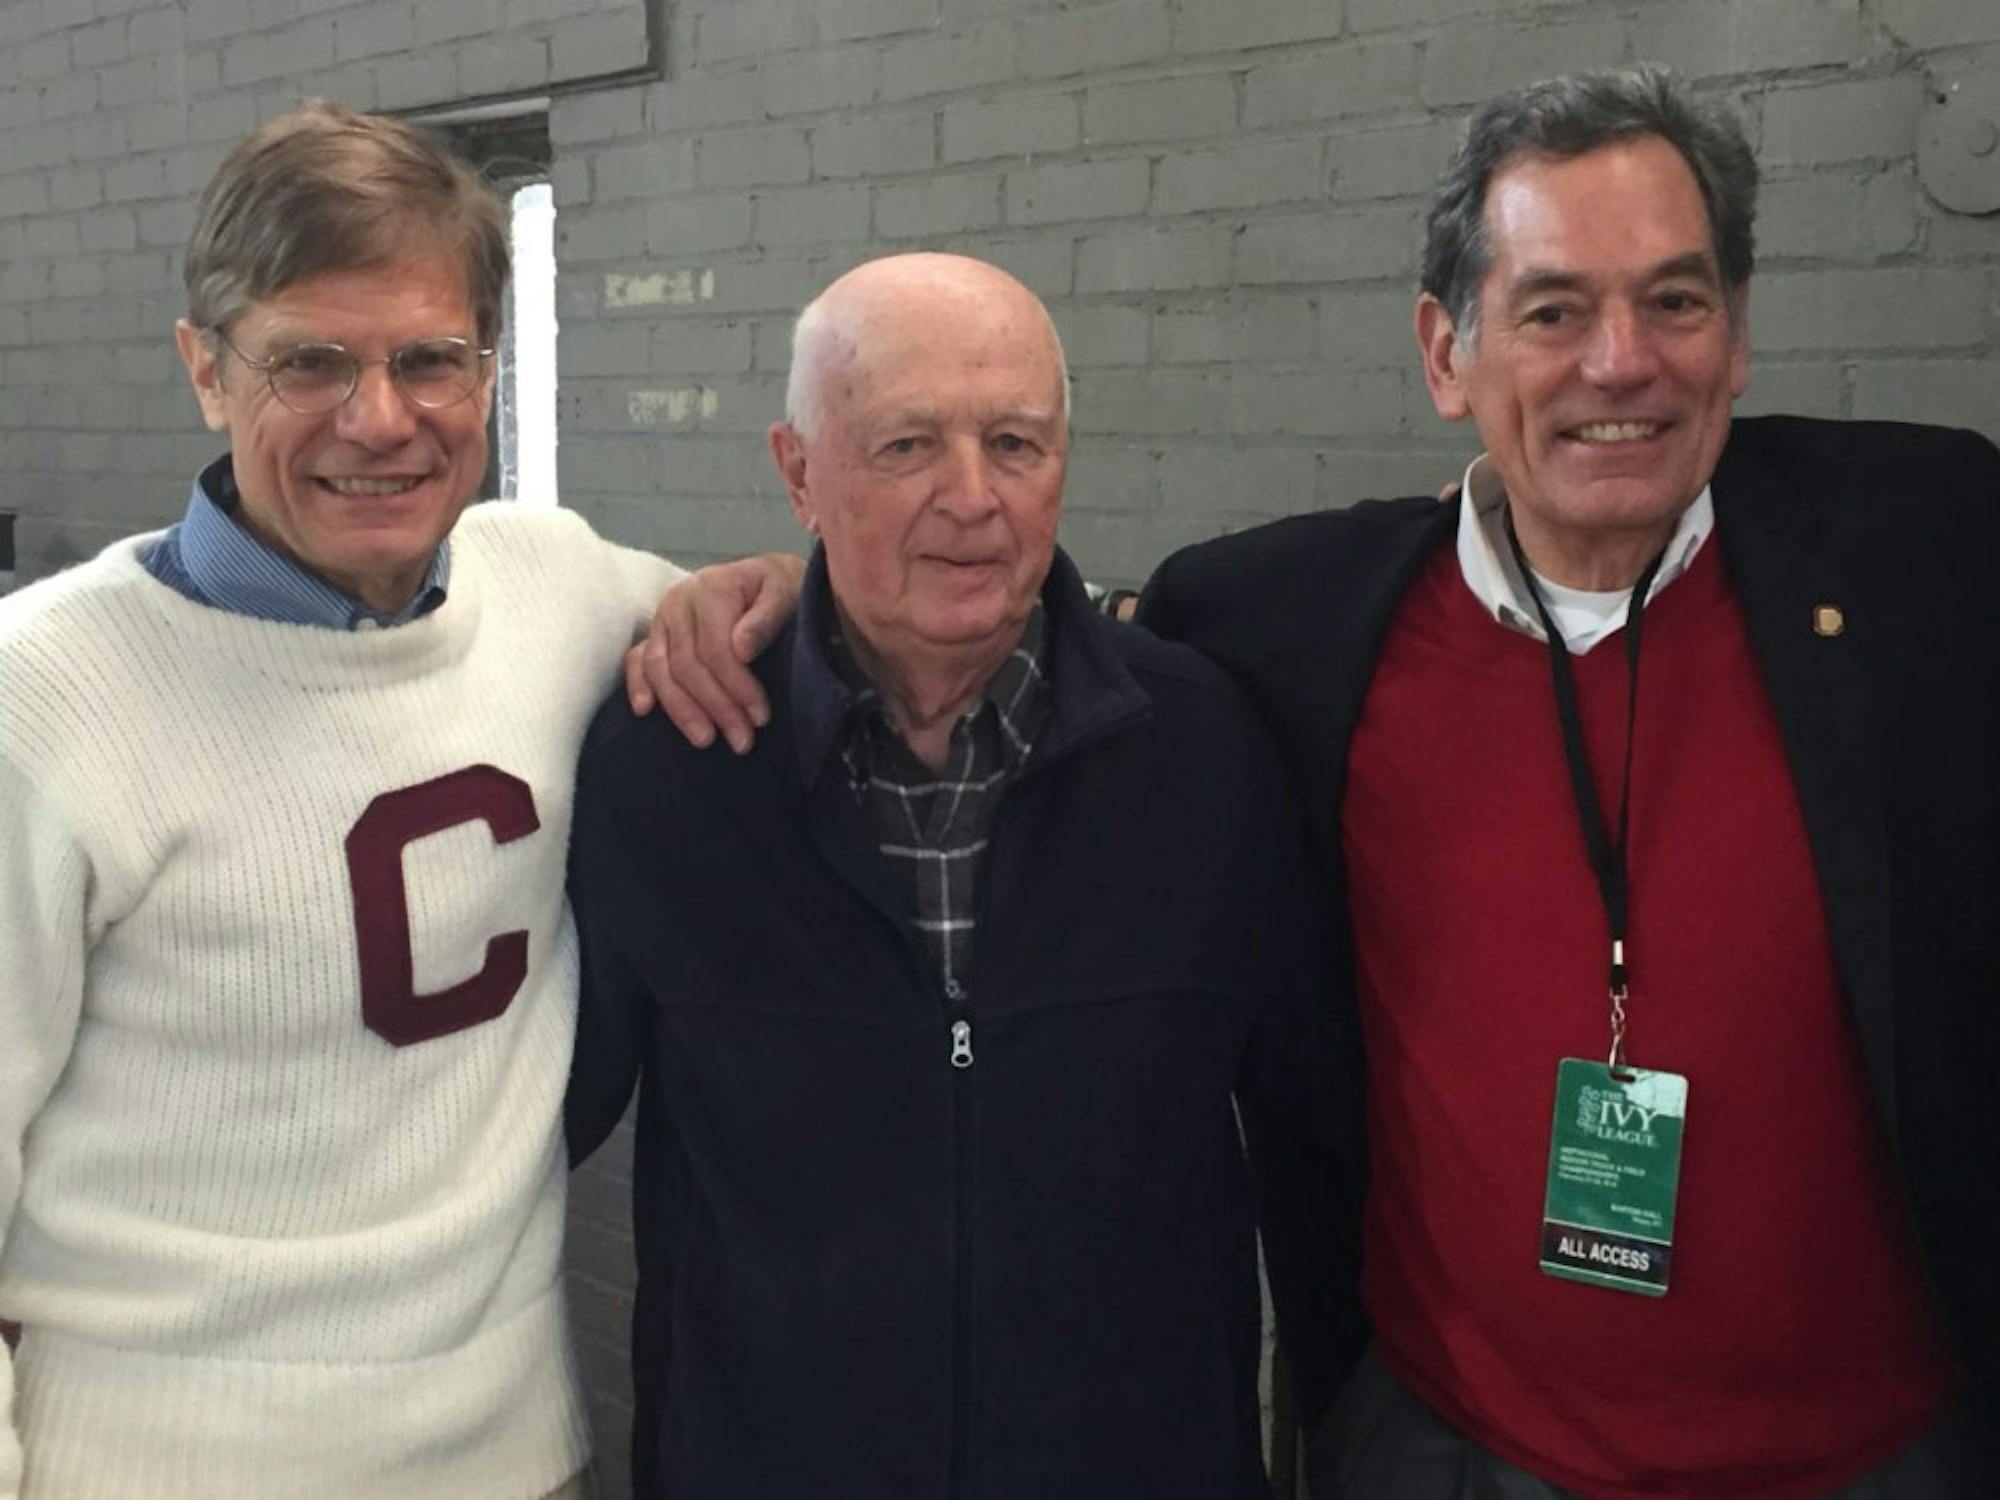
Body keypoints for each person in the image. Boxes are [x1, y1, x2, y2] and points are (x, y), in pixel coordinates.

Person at [648, 67, 1998, 1500]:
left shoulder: (1930, 555)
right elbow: (1004, 624)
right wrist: (779, 603)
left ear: (1736, 338)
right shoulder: (1279, 626)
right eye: (1551, 310)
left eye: (1675, 301)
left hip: (1882, 1453)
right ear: (1446, 352)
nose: (1620, 362)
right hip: (1453, 1449)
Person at [0, 101, 788, 1499]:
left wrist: (771, 589)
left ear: (489, 367)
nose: (382, 418)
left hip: (512, 1453)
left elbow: (746, 615)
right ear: (204, 369)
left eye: (432, 359)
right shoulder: (40, 696)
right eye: (310, 360)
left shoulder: (554, 582)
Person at [564, 251, 1355, 1499]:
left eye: (1016, 443)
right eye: (905, 447)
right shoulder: (674, 766)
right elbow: (526, 1119)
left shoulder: (1203, 756)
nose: (971, 497)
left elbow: (1324, 1131)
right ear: (797, 473)